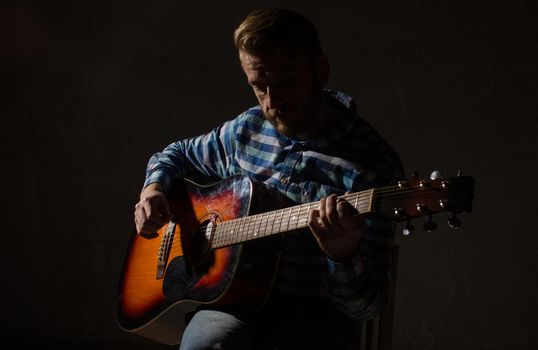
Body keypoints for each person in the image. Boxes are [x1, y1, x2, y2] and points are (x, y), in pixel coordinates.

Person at [134, 8, 404, 350]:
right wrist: (153, 189)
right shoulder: (247, 129)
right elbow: (175, 154)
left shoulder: (373, 165)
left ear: (319, 72)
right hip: (233, 306)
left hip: (315, 318)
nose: (271, 101)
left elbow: (366, 306)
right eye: (259, 86)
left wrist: (343, 255)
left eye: (285, 82)